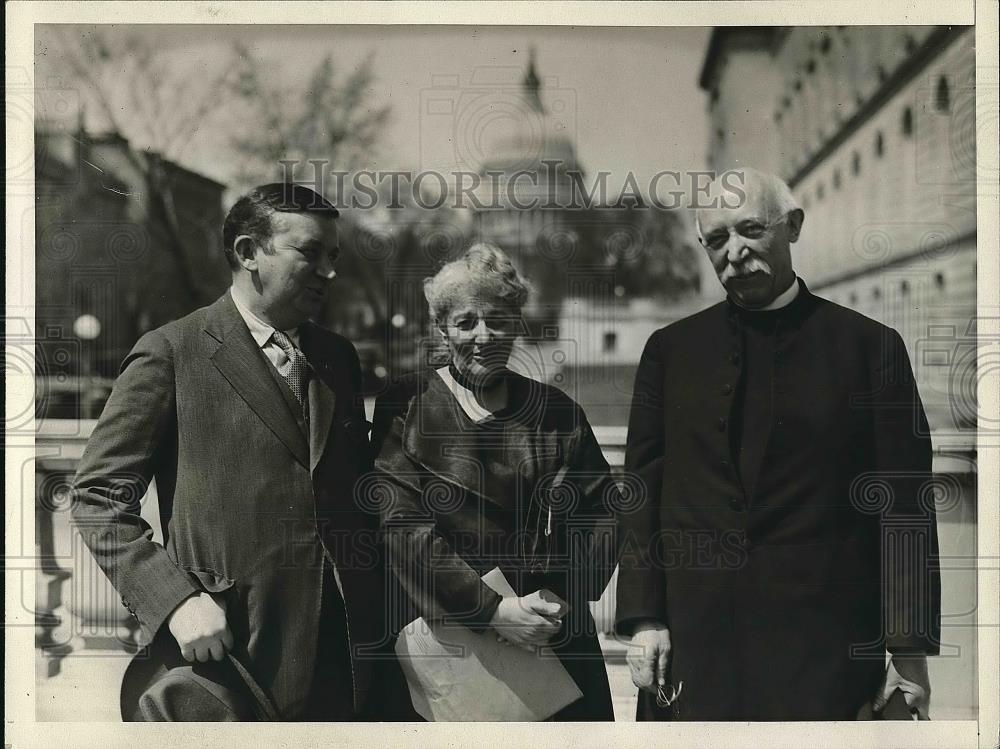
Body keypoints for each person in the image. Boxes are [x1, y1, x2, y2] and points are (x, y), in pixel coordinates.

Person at [615, 168, 941, 721]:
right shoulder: (670, 351)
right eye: (717, 240)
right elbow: (641, 492)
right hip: (696, 648)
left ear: (792, 226)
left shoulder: (870, 348)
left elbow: (905, 505)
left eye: (749, 229)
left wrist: (908, 653)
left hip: (825, 652)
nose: (735, 252)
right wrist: (646, 619)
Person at [71, 183, 396, 721]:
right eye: (310, 253)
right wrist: (174, 601)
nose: (329, 272)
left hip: (345, 663)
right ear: (248, 253)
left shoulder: (339, 357)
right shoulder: (172, 350)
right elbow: (97, 496)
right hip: (227, 658)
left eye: (333, 256)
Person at [371, 243, 619, 720]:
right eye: (466, 322)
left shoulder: (558, 412)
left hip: (553, 631)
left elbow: (601, 516)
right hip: (451, 633)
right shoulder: (408, 405)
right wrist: (492, 611)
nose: (484, 336)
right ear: (441, 329)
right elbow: (400, 526)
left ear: (517, 323)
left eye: (499, 320)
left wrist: (557, 600)